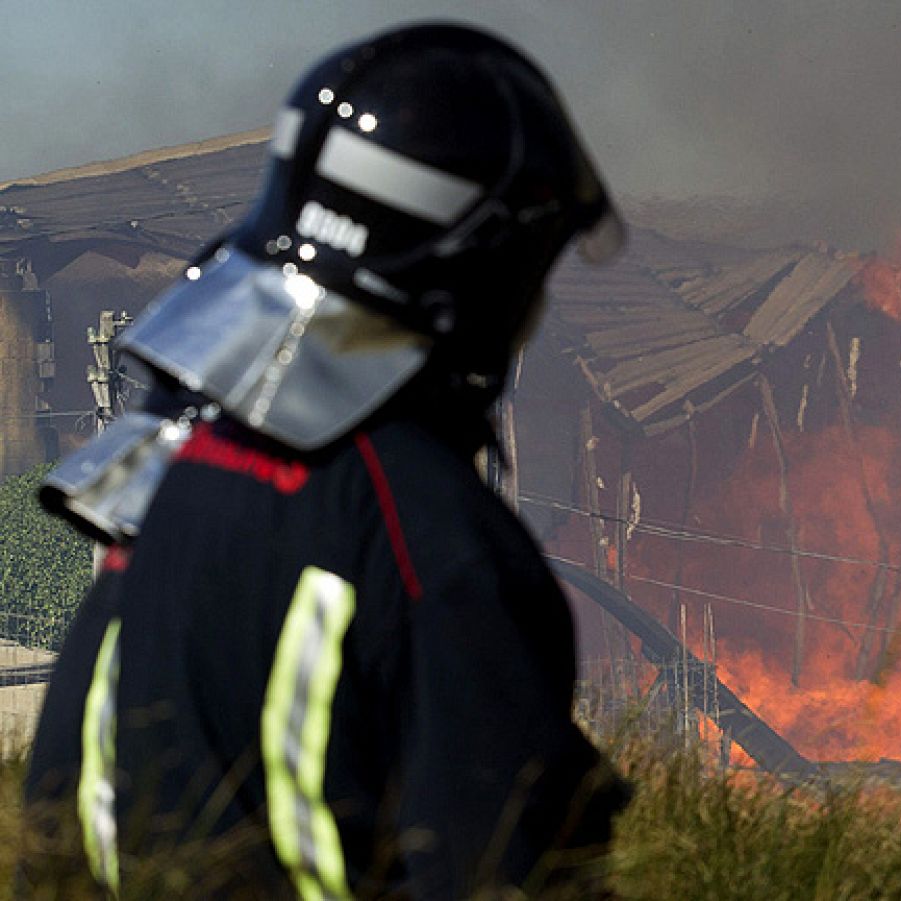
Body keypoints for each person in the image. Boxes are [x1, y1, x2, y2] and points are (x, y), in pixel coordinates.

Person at [21, 22, 629, 897]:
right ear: (488, 270)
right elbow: (505, 874)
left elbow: (52, 820)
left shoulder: (156, 476)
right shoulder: (435, 541)